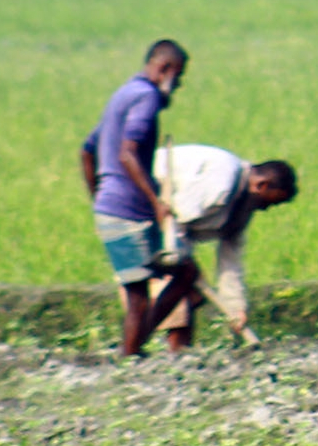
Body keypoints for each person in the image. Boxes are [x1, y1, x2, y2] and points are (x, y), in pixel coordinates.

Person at [79, 39, 201, 356]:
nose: (178, 86)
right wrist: (156, 200)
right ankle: (131, 354)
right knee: (139, 295)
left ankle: (135, 348)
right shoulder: (145, 98)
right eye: (180, 77)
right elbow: (128, 154)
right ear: (166, 69)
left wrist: (99, 196)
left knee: (182, 273)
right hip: (129, 211)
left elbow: (86, 150)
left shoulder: (123, 95)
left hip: (115, 207)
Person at [148, 144, 298, 351]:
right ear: (262, 185)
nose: (267, 209)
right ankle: (150, 344)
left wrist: (236, 308)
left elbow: (231, 259)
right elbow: (176, 217)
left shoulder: (243, 209)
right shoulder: (222, 181)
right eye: (270, 202)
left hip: (174, 230)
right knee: (181, 288)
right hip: (147, 209)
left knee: (190, 292)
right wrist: (182, 259)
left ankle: (176, 349)